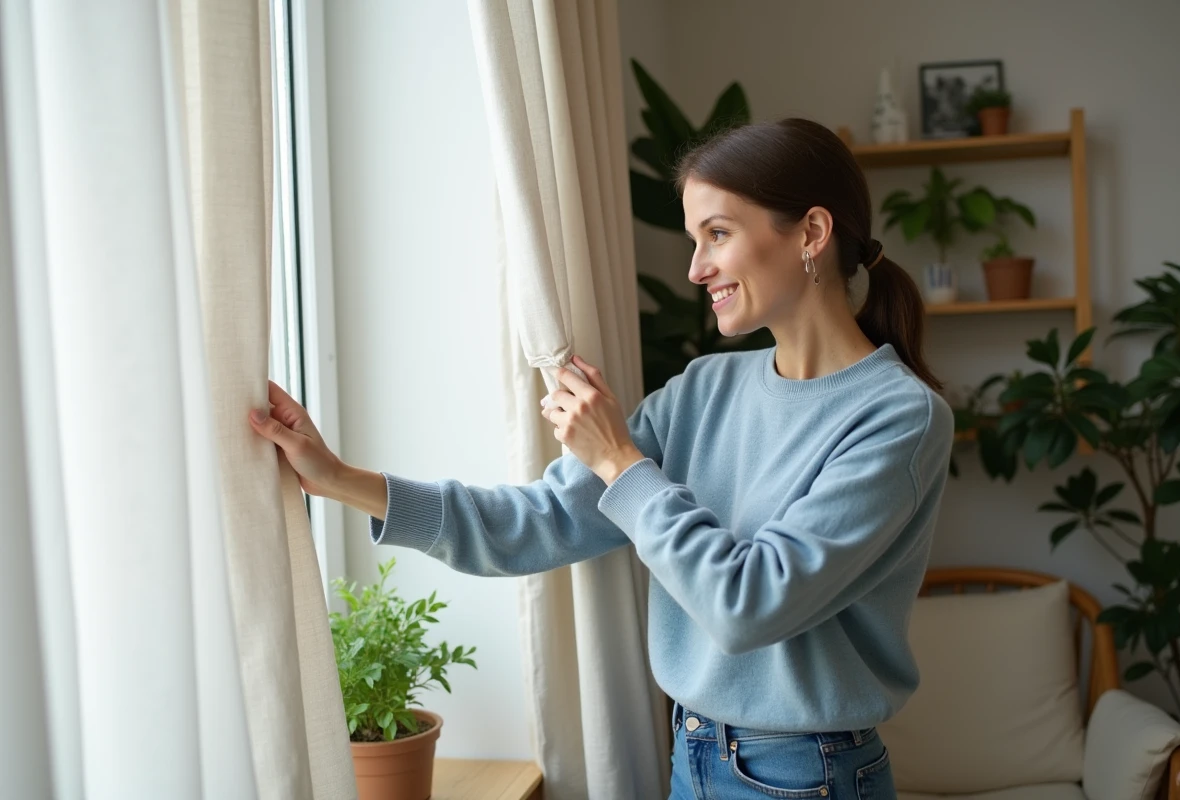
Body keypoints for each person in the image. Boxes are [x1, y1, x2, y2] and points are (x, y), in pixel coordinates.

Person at [251, 118, 953, 800]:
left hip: (808, 774)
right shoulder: (703, 391)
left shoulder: (898, 418)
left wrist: (620, 459)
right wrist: (338, 479)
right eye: (693, 239)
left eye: (717, 234)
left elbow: (750, 604)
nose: (695, 268)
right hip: (694, 753)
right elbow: (537, 521)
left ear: (811, 233)